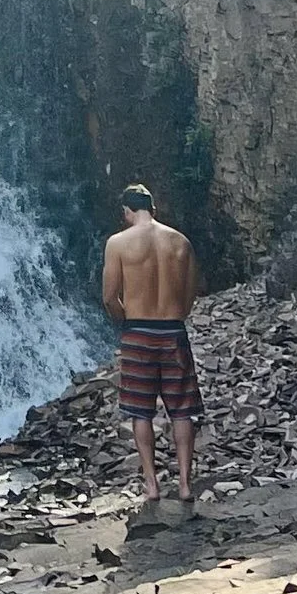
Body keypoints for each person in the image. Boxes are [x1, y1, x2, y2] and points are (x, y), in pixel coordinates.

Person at [103, 181, 201, 513]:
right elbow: (189, 297)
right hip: (173, 331)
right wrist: (175, 315)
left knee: (140, 411)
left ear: (126, 212)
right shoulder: (181, 242)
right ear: (154, 208)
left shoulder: (117, 243)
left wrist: (128, 319)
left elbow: (108, 297)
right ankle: (186, 484)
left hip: (138, 333)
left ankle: (152, 485)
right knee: (182, 409)